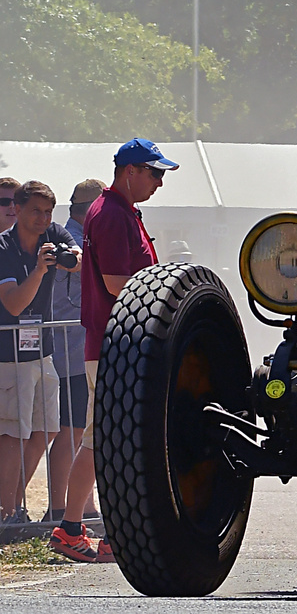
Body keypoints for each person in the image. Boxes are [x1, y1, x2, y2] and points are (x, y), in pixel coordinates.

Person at [50, 140, 175, 563]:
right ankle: (93, 530)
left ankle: (75, 528)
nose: (159, 182)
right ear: (130, 171)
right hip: (114, 345)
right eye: (155, 173)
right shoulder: (110, 215)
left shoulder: (120, 212)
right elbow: (118, 283)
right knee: (110, 438)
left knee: (100, 438)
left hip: (118, 344)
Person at [0, 181, 73, 523]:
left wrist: (67, 257)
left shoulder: (53, 234)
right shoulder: (3, 247)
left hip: (42, 352)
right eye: (35, 211)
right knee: (13, 432)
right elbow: (14, 305)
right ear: (17, 209)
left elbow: (78, 260)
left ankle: (13, 503)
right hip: (8, 357)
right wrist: (42, 269)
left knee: (48, 429)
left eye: (48, 212)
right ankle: (6, 512)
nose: (43, 219)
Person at [47, 179, 104, 522]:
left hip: (78, 347)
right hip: (71, 348)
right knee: (72, 430)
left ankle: (81, 506)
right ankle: (60, 508)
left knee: (81, 430)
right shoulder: (66, 240)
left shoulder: (79, 238)